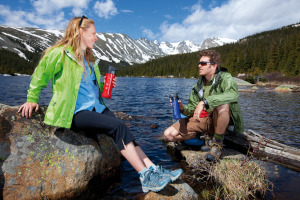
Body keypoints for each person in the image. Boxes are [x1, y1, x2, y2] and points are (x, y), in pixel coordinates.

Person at [18, 16, 182, 193]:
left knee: (126, 132)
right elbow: (40, 75)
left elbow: (91, 88)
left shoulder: (88, 58)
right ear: (81, 32)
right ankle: (144, 176)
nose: (96, 38)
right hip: (74, 111)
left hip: (96, 107)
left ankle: (152, 168)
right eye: (94, 34)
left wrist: (106, 86)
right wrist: (32, 98)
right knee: (118, 126)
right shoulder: (59, 53)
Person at [164, 49, 244, 162]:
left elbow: (233, 94)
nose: (199, 66)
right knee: (168, 135)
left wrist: (204, 102)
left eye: (203, 63)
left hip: (220, 119)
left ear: (214, 66)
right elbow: (191, 110)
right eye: (199, 63)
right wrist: (182, 108)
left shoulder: (225, 78)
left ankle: (217, 145)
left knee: (222, 105)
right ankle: (203, 137)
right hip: (203, 120)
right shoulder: (198, 86)